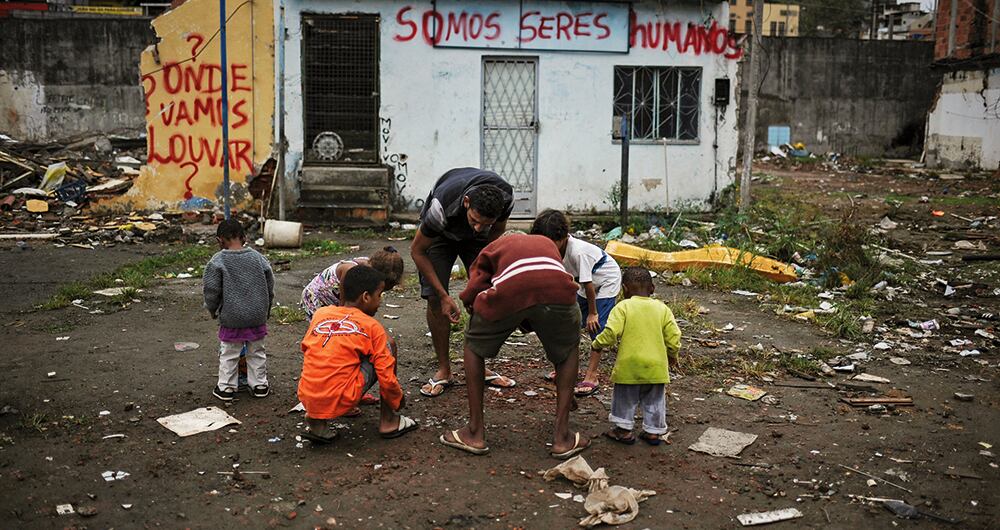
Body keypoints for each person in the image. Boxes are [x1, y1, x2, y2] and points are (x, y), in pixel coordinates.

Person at [438, 233, 590, 459]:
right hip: (560, 292)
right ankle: (562, 437)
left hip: (511, 291)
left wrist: (473, 305)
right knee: (568, 351)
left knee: (473, 346)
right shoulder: (546, 242)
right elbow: (544, 280)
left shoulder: (493, 247)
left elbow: (476, 284)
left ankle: (474, 432)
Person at [410, 167, 518, 397]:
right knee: (434, 299)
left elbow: (494, 235)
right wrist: (443, 296)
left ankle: (479, 365)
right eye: (475, 220)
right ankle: (444, 370)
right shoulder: (441, 207)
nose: (477, 227)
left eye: (484, 223)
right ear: (467, 203)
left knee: (485, 294)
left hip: (478, 243)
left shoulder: (505, 197)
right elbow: (417, 251)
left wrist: (481, 277)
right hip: (440, 236)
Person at [297, 265, 417, 444]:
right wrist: (396, 398)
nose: (380, 301)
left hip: (307, 395)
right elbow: (385, 373)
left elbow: (308, 350)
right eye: (379, 295)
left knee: (338, 352)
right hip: (342, 396)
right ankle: (389, 420)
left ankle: (317, 421)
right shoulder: (371, 326)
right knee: (387, 347)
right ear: (366, 297)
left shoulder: (321, 314)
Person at [530, 209, 622, 397]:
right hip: (582, 281)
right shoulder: (552, 250)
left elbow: (589, 286)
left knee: (596, 327)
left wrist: (592, 312)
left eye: (551, 242)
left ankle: (592, 375)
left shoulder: (577, 252)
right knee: (569, 323)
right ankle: (567, 368)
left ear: (563, 237)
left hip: (605, 280)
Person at [591, 267, 681, 446]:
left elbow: (611, 332)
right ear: (652, 288)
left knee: (625, 398)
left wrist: (597, 344)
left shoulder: (623, 306)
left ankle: (623, 430)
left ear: (624, 289)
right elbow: (674, 337)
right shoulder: (662, 309)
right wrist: (673, 355)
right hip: (656, 366)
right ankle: (653, 432)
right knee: (655, 399)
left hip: (629, 365)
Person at [203, 219, 275, 401]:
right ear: (244, 237)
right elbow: (270, 286)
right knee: (257, 352)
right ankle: (259, 385)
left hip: (232, 317)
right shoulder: (258, 258)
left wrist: (213, 310)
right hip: (257, 315)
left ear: (219, 240)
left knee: (229, 353)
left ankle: (226, 388)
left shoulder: (218, 261)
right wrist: (266, 309)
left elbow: (211, 291)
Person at [300, 246, 404, 319]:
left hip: (334, 300)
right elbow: (343, 305)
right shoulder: (350, 271)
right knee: (326, 329)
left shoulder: (372, 265)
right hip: (316, 298)